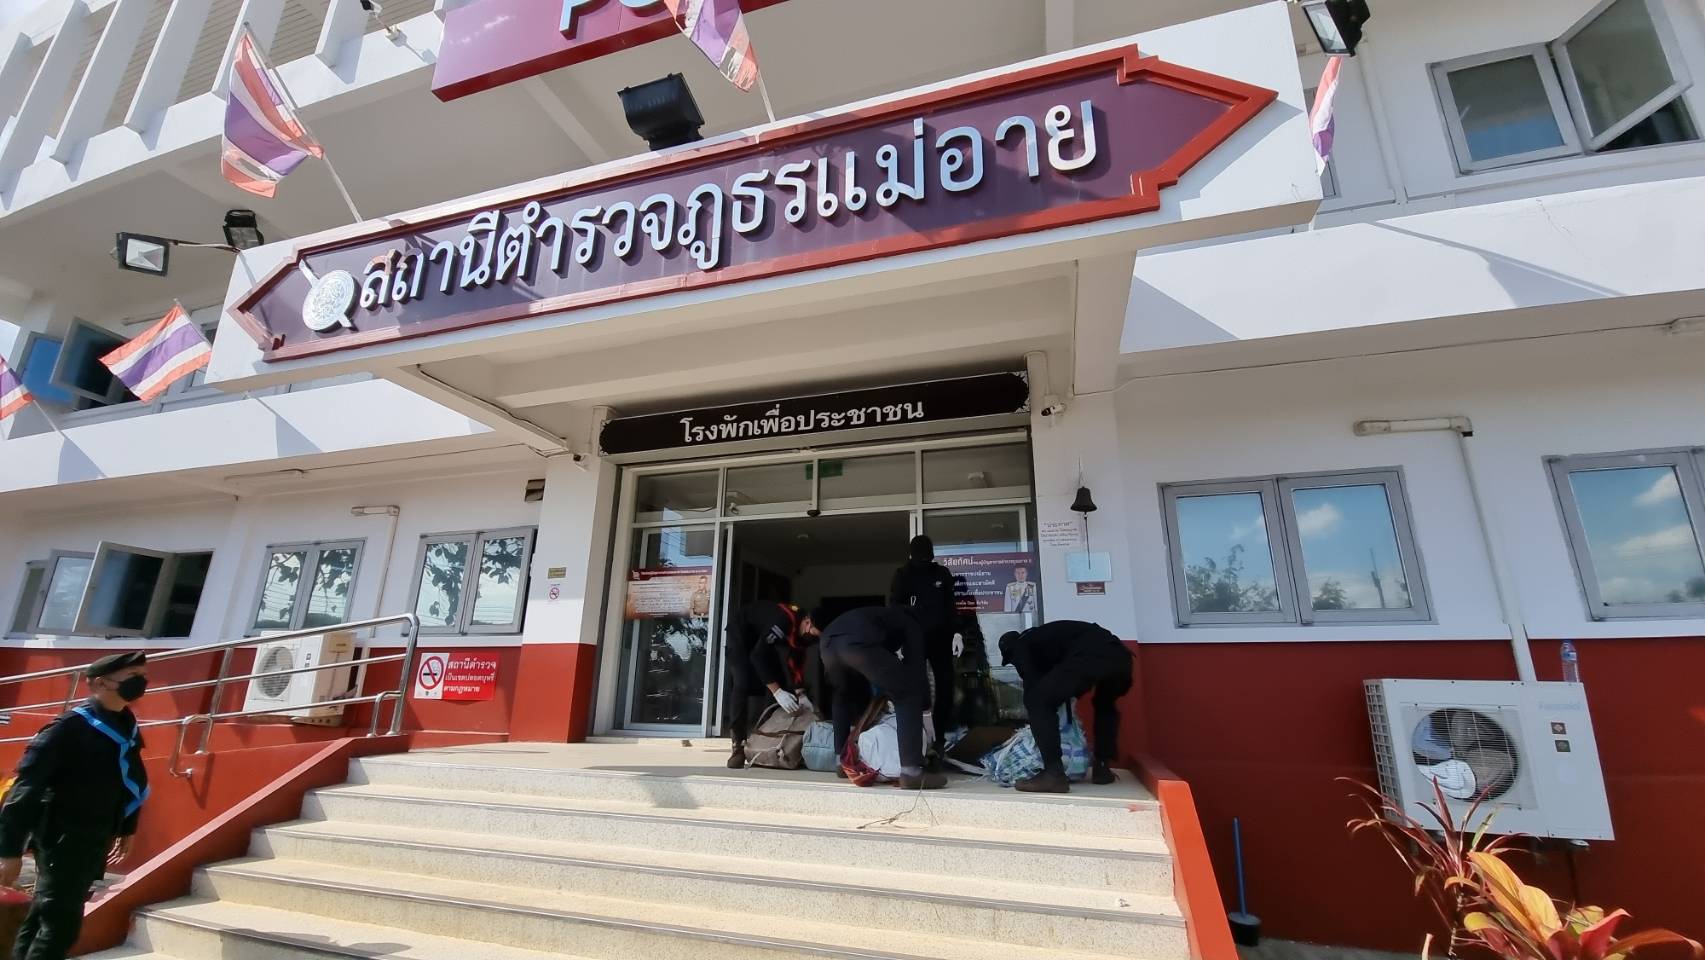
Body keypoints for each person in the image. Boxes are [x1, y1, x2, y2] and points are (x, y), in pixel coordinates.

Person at [0, 652, 151, 960]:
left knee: (45, 914)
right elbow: (26, 790)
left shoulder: (126, 726)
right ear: (100, 683)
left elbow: (129, 779)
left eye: (143, 677)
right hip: (63, 837)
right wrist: (9, 851)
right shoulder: (67, 729)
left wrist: (127, 826)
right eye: (132, 677)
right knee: (62, 926)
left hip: (96, 834)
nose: (140, 684)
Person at [999, 621, 1133, 793]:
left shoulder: (1021, 645)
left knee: (1038, 702)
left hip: (1089, 655)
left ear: (1011, 650)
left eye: (1011, 661)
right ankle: (1102, 768)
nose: (1015, 663)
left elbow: (1032, 684)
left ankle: (1053, 775)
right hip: (1120, 657)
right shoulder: (1045, 638)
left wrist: (1035, 719)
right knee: (1105, 705)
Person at [820, 605, 944, 790]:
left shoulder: (885, 616)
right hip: (858, 642)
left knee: (842, 694)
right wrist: (926, 711)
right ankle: (912, 772)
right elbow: (916, 671)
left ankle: (841, 761)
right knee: (907, 692)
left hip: (828, 644)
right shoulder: (912, 623)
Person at [722, 601, 824, 768]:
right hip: (741, 632)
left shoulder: (802, 636)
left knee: (778, 679)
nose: (814, 638)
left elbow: (794, 662)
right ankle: (738, 745)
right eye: (814, 633)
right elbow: (757, 656)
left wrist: (800, 693)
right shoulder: (783, 622)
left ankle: (766, 738)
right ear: (807, 622)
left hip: (762, 638)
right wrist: (777, 692)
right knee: (742, 682)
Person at [887, 535, 962, 752]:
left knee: (946, 686)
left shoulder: (941, 573)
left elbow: (951, 605)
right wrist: (898, 640)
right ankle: (918, 736)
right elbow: (894, 606)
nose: (924, 560)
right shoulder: (903, 574)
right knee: (917, 687)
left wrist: (957, 633)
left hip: (941, 637)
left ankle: (940, 737)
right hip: (914, 637)